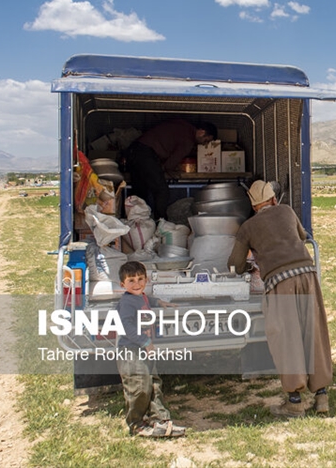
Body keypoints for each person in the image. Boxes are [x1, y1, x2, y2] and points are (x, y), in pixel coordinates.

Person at [227, 180, 333, 417]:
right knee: (313, 332)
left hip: (280, 282)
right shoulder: (286, 211)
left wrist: (248, 265)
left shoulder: (247, 227)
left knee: (288, 337)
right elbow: (302, 235)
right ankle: (322, 396)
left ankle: (295, 402)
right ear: (274, 199)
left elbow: (234, 263)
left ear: (254, 207)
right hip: (307, 274)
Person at [115, 260, 185, 437]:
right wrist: (145, 342)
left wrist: (159, 302)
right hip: (131, 350)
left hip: (144, 349)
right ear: (122, 284)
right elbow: (126, 326)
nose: (137, 284)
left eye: (140, 279)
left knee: (153, 384)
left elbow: (147, 299)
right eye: (131, 281)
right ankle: (137, 423)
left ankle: (160, 419)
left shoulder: (141, 296)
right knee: (138, 386)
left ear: (146, 280)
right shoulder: (126, 303)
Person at [124, 119, 217, 220]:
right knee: (162, 191)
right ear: (201, 132)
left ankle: (136, 223)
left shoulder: (183, 125)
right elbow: (170, 164)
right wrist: (173, 171)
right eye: (206, 140)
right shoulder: (188, 140)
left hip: (134, 151)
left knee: (140, 191)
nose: (204, 144)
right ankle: (161, 222)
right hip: (145, 154)